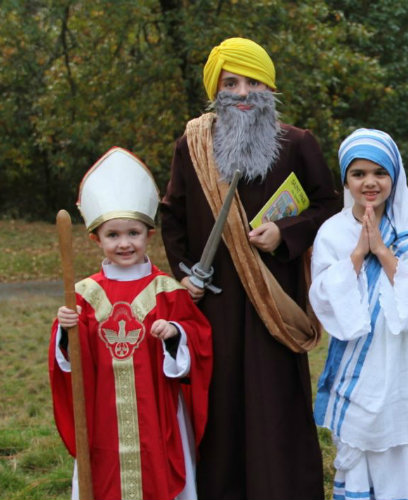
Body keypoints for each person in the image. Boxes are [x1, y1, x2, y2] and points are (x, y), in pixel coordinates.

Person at [159, 37, 340, 498]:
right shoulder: (192, 145)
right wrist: (184, 274)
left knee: (275, 407)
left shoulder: (298, 144)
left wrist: (287, 235)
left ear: (270, 88)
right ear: (216, 90)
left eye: (253, 82)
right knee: (221, 409)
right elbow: (173, 215)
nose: (243, 93)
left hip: (274, 301)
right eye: (232, 82)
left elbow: (327, 205)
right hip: (215, 307)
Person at [49, 147, 213, 500]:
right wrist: (65, 330)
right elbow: (68, 363)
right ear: (96, 239)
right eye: (113, 235)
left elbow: (198, 344)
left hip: (157, 412)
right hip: (102, 411)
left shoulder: (167, 291)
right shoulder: (83, 294)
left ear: (149, 234)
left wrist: (175, 335)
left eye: (133, 233)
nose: (124, 244)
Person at [310, 128, 408, 500]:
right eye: (359, 173)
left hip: (398, 360)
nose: (370, 182)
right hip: (355, 363)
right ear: (345, 179)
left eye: (380, 173)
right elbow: (322, 297)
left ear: (394, 176)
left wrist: (381, 251)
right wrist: (355, 256)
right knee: (359, 443)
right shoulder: (331, 232)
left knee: (400, 452)